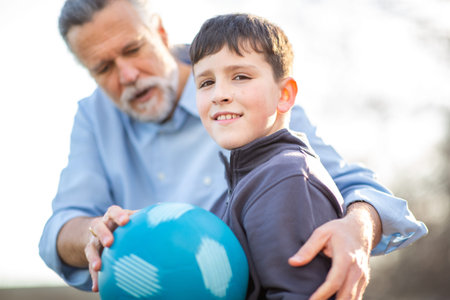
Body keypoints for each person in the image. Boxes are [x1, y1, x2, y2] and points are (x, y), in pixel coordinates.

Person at [38, 0, 427, 299]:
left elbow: (342, 181)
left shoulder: (252, 90)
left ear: (158, 30)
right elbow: (58, 227)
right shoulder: (94, 116)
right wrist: (95, 231)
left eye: (133, 49)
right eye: (103, 68)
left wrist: (360, 226)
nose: (126, 75)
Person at [190, 13, 345, 299]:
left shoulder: (286, 179)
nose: (219, 94)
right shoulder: (244, 180)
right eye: (206, 82)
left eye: (240, 77)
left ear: (284, 94)